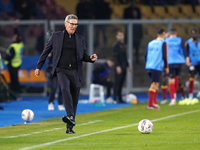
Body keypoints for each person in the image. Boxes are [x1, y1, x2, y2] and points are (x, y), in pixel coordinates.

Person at [35, 14, 98, 134]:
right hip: (61, 70)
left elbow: (82, 56)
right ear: (65, 23)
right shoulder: (56, 36)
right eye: (71, 24)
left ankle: (70, 127)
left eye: (75, 24)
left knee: (74, 99)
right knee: (64, 88)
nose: (73, 26)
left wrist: (90, 58)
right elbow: (45, 51)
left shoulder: (80, 39)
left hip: (76, 71)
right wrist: (39, 66)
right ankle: (70, 115)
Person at [165, 28, 190, 106]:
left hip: (170, 62)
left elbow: (164, 51)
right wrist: (186, 58)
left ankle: (173, 99)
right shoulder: (179, 39)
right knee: (177, 78)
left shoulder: (166, 40)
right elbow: (183, 49)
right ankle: (182, 96)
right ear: (176, 33)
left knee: (171, 80)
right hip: (179, 61)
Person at [145, 28, 168, 110]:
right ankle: (150, 104)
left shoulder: (150, 43)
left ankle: (154, 103)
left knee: (156, 84)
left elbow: (145, 55)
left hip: (149, 66)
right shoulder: (163, 43)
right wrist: (166, 67)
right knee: (154, 84)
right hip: (157, 66)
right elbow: (165, 56)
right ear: (164, 34)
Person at [179, 29, 200, 105]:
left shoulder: (199, 41)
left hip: (199, 61)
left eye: (196, 34)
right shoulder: (188, 43)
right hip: (192, 63)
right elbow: (185, 53)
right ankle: (190, 96)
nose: (195, 36)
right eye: (194, 34)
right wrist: (188, 63)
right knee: (192, 78)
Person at [113, 29, 131, 103]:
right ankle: (115, 98)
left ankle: (120, 98)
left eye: (122, 35)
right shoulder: (115, 46)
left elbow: (125, 57)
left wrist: (128, 66)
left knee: (121, 83)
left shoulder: (123, 45)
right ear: (117, 36)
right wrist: (117, 66)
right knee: (117, 82)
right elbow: (115, 56)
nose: (121, 37)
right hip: (119, 66)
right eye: (119, 35)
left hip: (123, 66)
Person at [4, 31, 24, 96]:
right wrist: (15, 28)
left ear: (16, 39)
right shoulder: (21, 44)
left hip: (12, 64)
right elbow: (18, 35)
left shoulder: (13, 46)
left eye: (14, 37)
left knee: (13, 79)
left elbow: (9, 56)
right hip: (18, 63)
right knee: (15, 78)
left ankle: (15, 92)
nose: (13, 37)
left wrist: (5, 58)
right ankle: (17, 91)